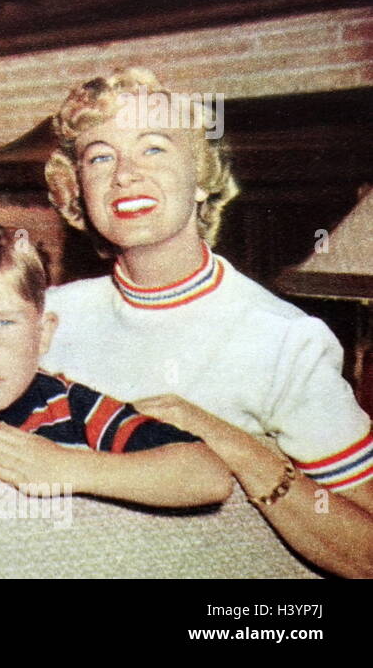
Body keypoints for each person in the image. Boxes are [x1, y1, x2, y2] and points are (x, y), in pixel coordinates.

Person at [41, 68, 373, 574]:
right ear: (80, 192)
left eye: (154, 148)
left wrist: (232, 444)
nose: (125, 174)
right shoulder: (45, 318)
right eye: (100, 157)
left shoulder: (283, 339)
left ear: (200, 179)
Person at [0, 219, 233, 507]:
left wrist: (64, 466)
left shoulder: (71, 405)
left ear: (43, 334)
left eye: (5, 323)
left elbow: (209, 475)